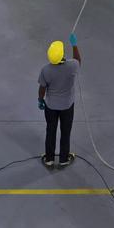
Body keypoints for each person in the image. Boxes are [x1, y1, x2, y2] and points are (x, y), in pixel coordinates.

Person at [37, 35, 80, 170]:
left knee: (51, 130)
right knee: (65, 132)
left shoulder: (45, 70)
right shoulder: (72, 66)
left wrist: (40, 100)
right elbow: (78, 60)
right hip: (67, 106)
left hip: (51, 106)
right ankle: (63, 159)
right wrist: (74, 44)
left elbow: (42, 88)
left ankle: (49, 159)